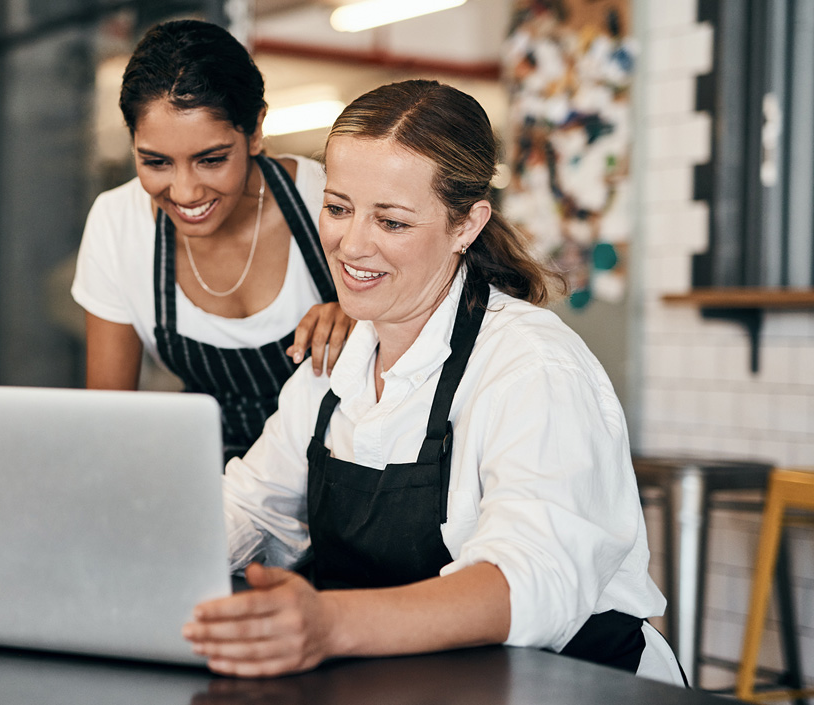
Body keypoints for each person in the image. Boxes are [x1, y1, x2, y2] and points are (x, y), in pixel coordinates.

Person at [181, 79, 684, 685]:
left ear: (466, 225)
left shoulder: (531, 365)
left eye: (391, 221)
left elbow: (533, 582)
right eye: (338, 208)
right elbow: (252, 509)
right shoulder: (338, 359)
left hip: (570, 687)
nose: (351, 243)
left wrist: (331, 621)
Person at [71, 20, 352, 461]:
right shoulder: (117, 224)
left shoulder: (329, 200)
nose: (184, 192)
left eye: (211, 159)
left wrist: (366, 322)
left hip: (342, 474)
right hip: (209, 479)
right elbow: (109, 422)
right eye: (156, 162)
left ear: (256, 130)